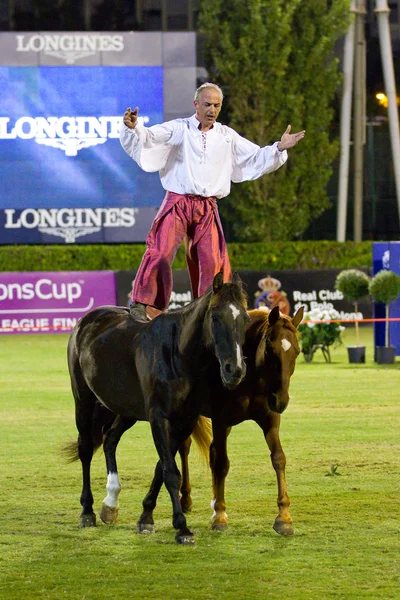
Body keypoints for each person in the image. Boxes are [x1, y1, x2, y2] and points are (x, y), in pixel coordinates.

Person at [120, 82, 305, 318]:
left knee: (213, 261)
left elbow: (256, 156)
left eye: (217, 105)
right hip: (177, 201)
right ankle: (144, 305)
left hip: (207, 206)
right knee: (160, 251)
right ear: (196, 104)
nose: (212, 110)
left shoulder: (227, 136)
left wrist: (279, 147)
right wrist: (135, 128)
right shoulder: (180, 128)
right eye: (207, 104)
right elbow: (152, 136)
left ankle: (211, 311)